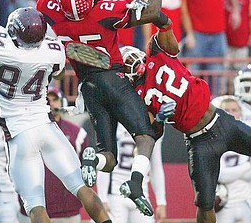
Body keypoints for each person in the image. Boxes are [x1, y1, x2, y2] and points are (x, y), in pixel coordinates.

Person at [0, 0, 112, 223]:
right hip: (47, 128)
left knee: (36, 206)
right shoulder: (50, 50)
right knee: (82, 189)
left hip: (19, 135)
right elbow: (58, 73)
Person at [34, 0, 165, 216]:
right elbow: (153, 12)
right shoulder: (106, 8)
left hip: (87, 86)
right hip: (113, 78)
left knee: (109, 157)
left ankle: (94, 159)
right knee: (146, 136)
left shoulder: (52, 6)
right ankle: (136, 184)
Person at [120, 13, 251, 223]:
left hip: (220, 121)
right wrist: (160, 118)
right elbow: (152, 133)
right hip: (199, 142)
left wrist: (157, 16)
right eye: (127, 64)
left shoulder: (156, 53)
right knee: (205, 202)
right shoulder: (137, 97)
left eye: (131, 58)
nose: (133, 63)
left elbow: (167, 28)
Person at [20, 87, 90, 223]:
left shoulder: (77, 133)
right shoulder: (26, 131)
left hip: (67, 210)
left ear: (62, 102)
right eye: (46, 99)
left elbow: (86, 172)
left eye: (54, 99)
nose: (50, 103)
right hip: (34, 210)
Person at [175, 0, 241, 95]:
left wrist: (236, 10)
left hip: (218, 30)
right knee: (194, 73)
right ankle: (194, 103)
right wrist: (189, 33)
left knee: (216, 72)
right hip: (196, 31)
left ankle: (214, 104)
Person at [96, 123, 167, 223]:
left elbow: (155, 165)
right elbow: (107, 160)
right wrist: (102, 198)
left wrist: (161, 202)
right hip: (116, 193)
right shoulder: (115, 121)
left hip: (141, 193)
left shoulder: (154, 124)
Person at [213, 97, 251, 223]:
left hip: (246, 201)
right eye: (227, 110)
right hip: (224, 203)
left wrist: (233, 173)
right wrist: (247, 167)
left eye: (234, 110)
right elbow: (219, 174)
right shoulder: (212, 138)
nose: (231, 113)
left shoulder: (247, 136)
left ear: (240, 113)